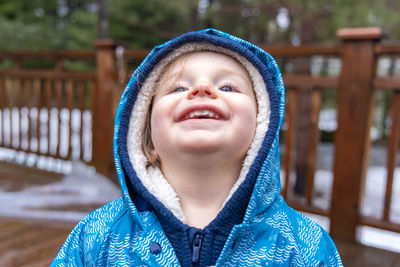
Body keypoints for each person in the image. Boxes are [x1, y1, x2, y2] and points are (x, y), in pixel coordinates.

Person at [52, 29, 342, 266]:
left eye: (228, 87)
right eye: (178, 88)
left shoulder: (304, 245)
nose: (202, 89)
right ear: (146, 136)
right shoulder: (98, 235)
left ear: (261, 129)